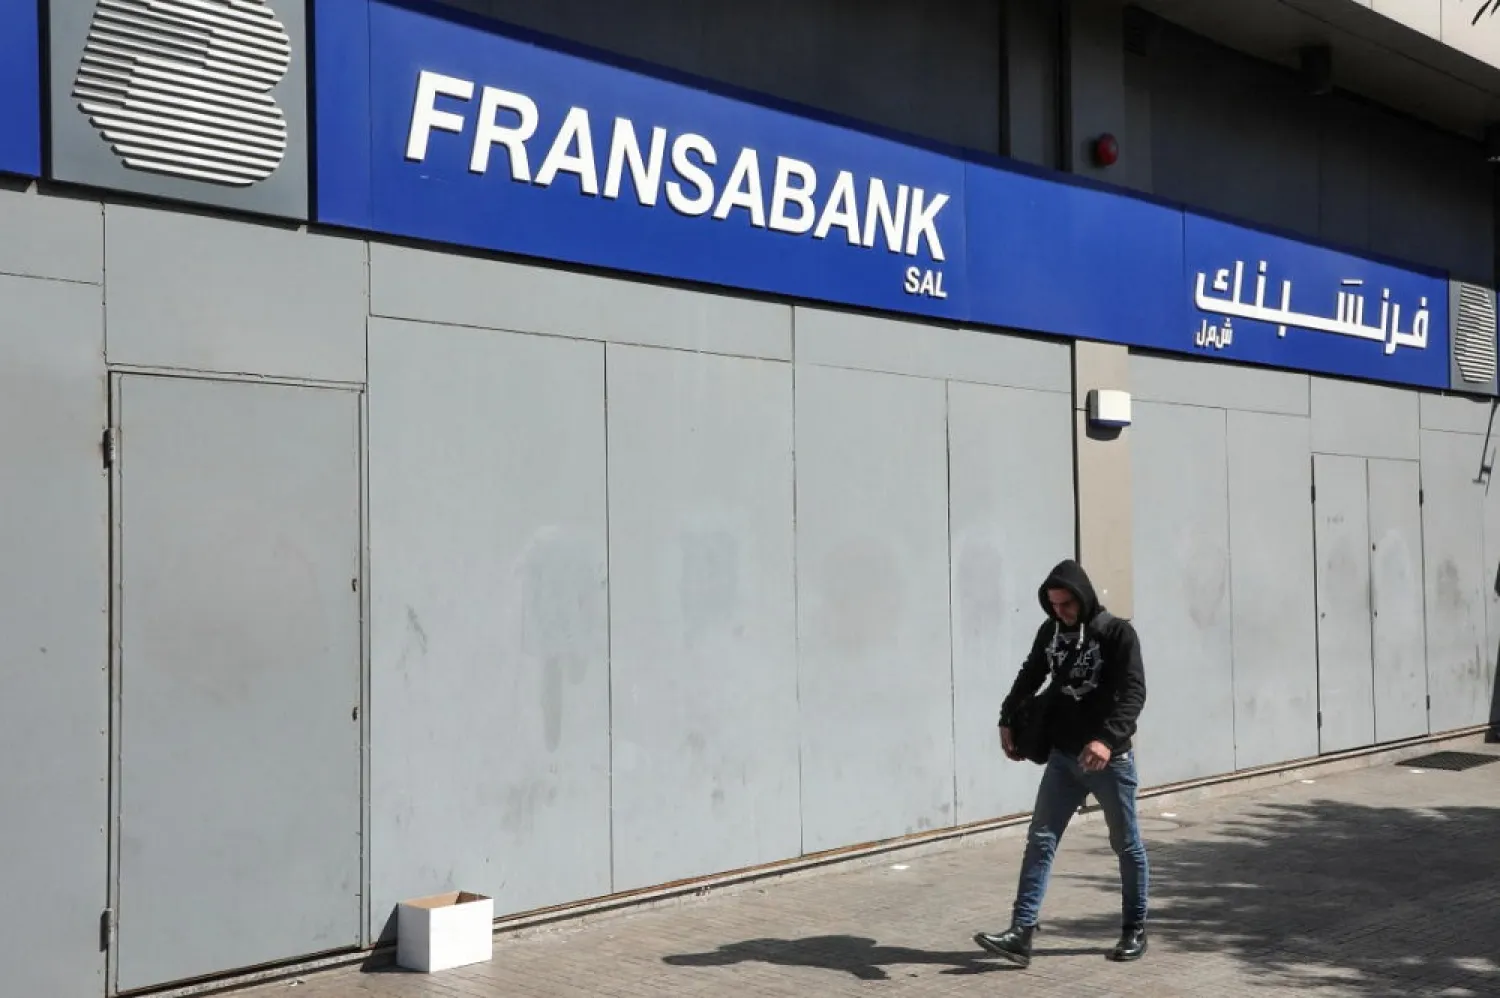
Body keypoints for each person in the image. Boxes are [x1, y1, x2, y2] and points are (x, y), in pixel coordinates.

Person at [974, 559, 1149, 968]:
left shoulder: (1118, 634)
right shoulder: (1050, 631)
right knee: (1040, 839)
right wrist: (1006, 715)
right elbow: (1031, 673)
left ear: (1083, 597)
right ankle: (1021, 932)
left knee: (1126, 845)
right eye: (1053, 605)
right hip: (1063, 758)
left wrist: (1106, 740)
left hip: (1110, 761)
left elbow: (1134, 693)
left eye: (1067, 604)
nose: (1060, 612)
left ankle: (1134, 928)